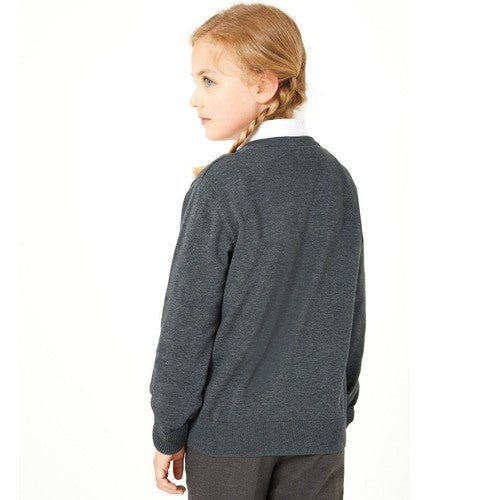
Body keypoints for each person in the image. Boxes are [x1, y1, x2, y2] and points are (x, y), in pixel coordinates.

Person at [149, 3, 366, 498]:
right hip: (318, 433)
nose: (194, 98)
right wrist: (337, 408)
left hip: (228, 439)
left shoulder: (223, 186)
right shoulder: (336, 180)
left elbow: (187, 323)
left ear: (264, 86)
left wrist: (169, 428)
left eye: (208, 81)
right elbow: (352, 311)